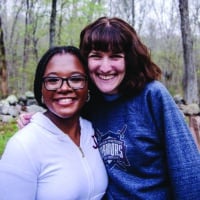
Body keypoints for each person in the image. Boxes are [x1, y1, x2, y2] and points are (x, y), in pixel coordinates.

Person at [17, 17, 200, 199]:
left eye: (115, 57)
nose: (105, 67)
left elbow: (187, 169)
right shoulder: (89, 101)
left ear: (129, 59)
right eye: (96, 56)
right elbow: (64, 119)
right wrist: (40, 120)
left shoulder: (152, 95)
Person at [0, 46, 108, 200]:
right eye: (53, 80)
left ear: (88, 87)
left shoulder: (95, 130)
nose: (64, 88)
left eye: (76, 79)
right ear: (41, 89)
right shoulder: (23, 146)